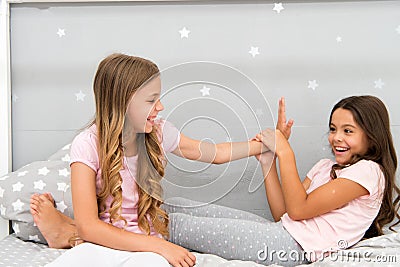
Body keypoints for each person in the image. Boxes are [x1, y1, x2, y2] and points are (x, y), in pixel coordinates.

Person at [29, 53, 278, 267]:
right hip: (104, 239)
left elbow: (216, 154)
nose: (160, 106)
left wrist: (264, 145)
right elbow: (89, 226)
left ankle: (66, 231)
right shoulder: (87, 144)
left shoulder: (158, 132)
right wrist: (160, 247)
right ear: (122, 103)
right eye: (151, 100)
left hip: (144, 240)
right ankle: (67, 233)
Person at [164, 95, 400, 266]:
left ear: (372, 135)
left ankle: (128, 233)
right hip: (283, 232)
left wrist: (286, 152)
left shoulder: (369, 172)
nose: (336, 137)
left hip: (296, 248)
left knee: (177, 225)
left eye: (348, 131)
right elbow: (284, 214)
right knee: (174, 204)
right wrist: (269, 160)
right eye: (333, 128)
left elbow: (299, 210)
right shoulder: (325, 167)